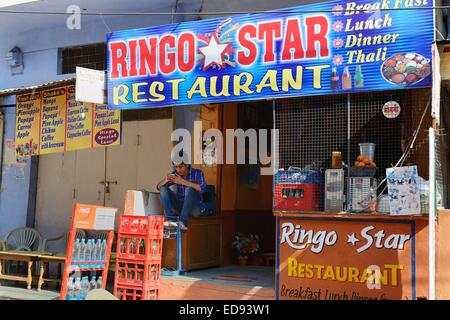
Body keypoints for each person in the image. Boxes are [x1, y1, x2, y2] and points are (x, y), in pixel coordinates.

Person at [157, 161, 207, 230]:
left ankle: (183, 222)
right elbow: (158, 187)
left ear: (186, 164)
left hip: (195, 208)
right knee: (163, 189)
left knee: (189, 189)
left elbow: (203, 188)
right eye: (176, 167)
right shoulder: (176, 174)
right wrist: (166, 179)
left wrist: (182, 182)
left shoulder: (198, 172)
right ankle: (170, 220)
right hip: (181, 206)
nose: (178, 170)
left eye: (180, 167)